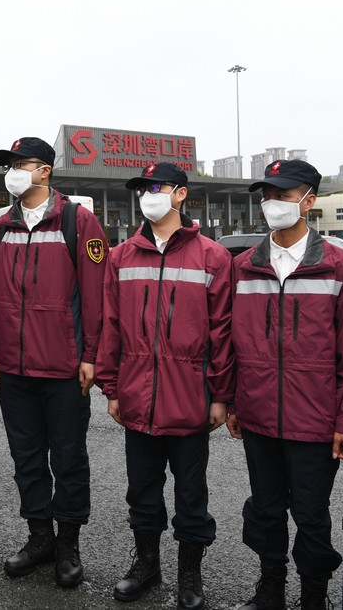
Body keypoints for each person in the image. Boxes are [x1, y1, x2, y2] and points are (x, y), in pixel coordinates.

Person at [228, 160, 343, 610]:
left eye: (283, 194)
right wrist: (234, 402)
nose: (272, 203)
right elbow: (229, 346)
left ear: (308, 202)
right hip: (257, 417)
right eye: (266, 195)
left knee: (312, 515)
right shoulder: (244, 267)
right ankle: (270, 587)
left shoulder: (340, 267)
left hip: (315, 422)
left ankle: (315, 594)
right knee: (264, 508)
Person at [96, 163, 233, 609]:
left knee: (191, 495)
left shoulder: (212, 256)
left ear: (180, 195)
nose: (147, 195)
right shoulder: (120, 257)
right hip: (136, 396)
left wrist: (221, 396)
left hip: (190, 397)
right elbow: (110, 329)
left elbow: (223, 334)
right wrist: (112, 388)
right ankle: (146, 564)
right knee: (142, 490)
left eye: (156, 188)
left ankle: (189, 575)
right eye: (141, 189)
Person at [0, 137, 107, 588]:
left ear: (46, 171)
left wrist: (92, 356)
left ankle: (68, 543)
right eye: (10, 164)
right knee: (27, 459)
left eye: (23, 164)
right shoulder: (1, 227)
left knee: (69, 459)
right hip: (15, 370)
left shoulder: (78, 220)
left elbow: (96, 297)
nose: (15, 171)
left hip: (63, 367)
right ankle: (40, 537)